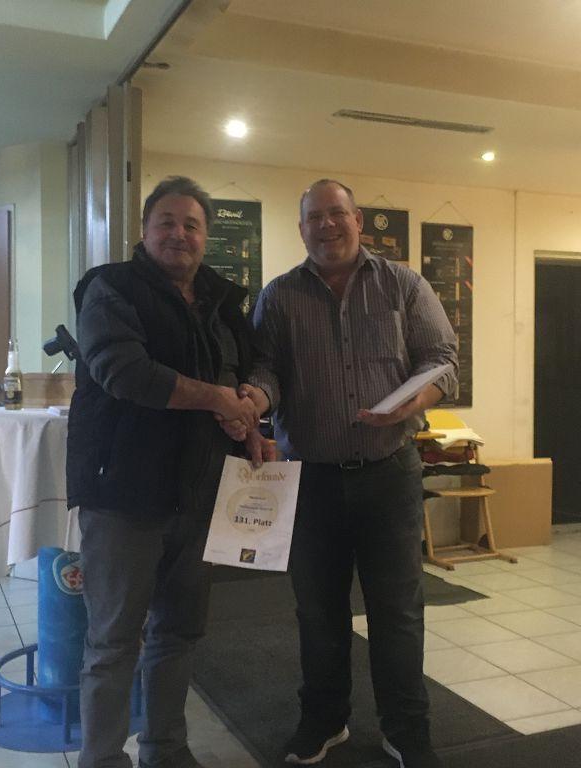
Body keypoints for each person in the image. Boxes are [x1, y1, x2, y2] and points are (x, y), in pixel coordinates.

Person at [240, 179, 458, 768]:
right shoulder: (279, 296)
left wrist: (413, 402)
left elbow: (442, 360)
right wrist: (255, 397)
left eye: (337, 213)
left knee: (398, 611)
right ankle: (324, 720)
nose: (327, 225)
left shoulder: (403, 285)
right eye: (315, 217)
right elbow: (266, 368)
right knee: (317, 611)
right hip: (310, 479)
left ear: (359, 220)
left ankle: (406, 729)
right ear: (301, 228)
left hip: (389, 473)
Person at [66, 175, 269, 768]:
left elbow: (255, 371)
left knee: (178, 633)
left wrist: (252, 410)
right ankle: (102, 759)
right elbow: (123, 371)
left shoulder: (223, 303)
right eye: (167, 222)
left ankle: (166, 750)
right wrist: (217, 398)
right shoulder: (110, 288)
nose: (179, 234)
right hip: (124, 496)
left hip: (202, 496)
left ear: (206, 237)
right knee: (113, 642)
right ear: (145, 229)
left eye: (192, 225)